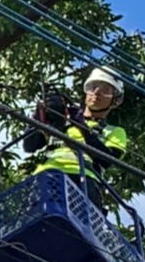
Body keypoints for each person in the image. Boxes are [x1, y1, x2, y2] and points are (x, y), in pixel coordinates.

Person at [24, 67, 129, 210]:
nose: (96, 92)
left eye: (105, 89)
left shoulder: (114, 131)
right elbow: (29, 146)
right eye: (93, 87)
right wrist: (40, 118)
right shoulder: (66, 119)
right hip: (48, 174)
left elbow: (107, 160)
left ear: (114, 100)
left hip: (85, 180)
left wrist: (82, 126)